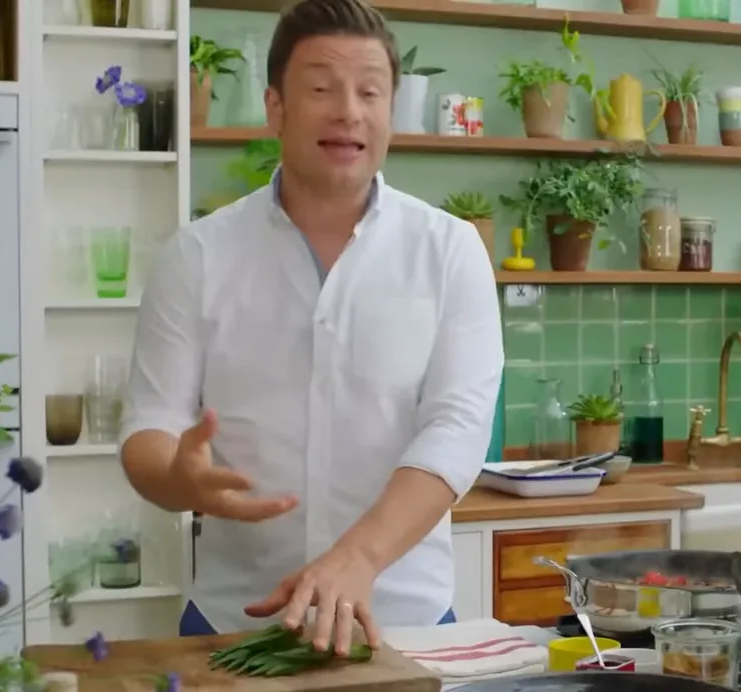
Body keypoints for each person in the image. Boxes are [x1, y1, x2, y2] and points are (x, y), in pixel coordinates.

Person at [118, 0, 502, 655]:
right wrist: (180, 480)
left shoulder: (450, 250)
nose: (348, 111)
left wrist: (358, 557)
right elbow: (149, 429)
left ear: (389, 111)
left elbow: (457, 431)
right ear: (276, 108)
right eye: (322, 88)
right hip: (234, 620)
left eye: (370, 92)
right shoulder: (198, 255)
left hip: (402, 622)